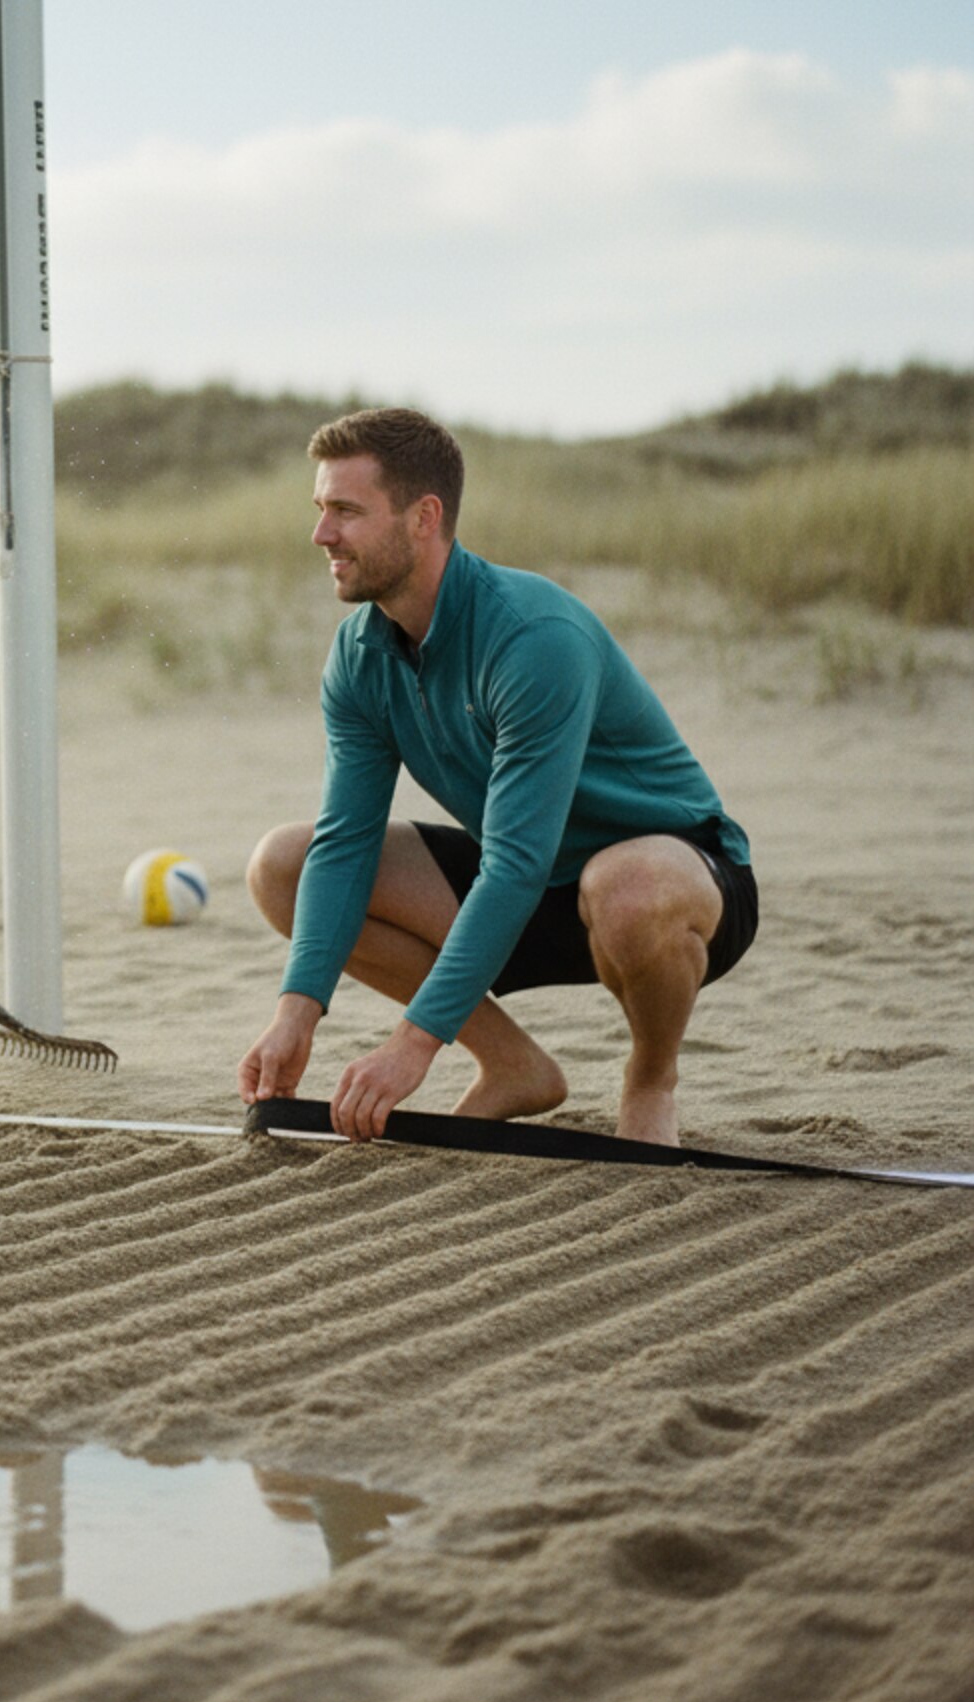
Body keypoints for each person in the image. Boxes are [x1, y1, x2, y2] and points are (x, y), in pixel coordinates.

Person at [239, 408, 756, 1148]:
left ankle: (650, 1080)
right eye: (321, 510)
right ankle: (513, 1064)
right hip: (531, 894)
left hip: (674, 884)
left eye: (346, 511)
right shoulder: (358, 654)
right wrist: (296, 1013)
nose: (322, 535)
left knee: (626, 883)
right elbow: (346, 843)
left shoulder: (532, 637)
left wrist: (412, 1046)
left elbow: (516, 862)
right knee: (283, 864)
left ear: (425, 517)